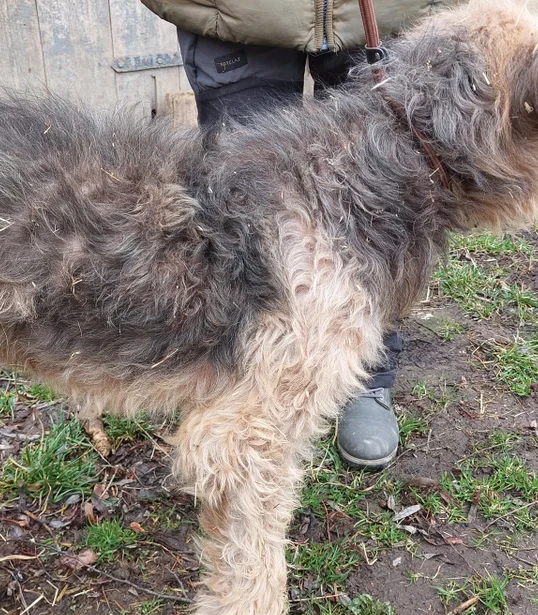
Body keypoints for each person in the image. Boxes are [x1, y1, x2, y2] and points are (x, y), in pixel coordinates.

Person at [142, 0, 456, 470]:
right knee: (237, 214)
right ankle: (232, 373)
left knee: (381, 208)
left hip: (380, 14)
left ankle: (367, 375)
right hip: (239, 15)